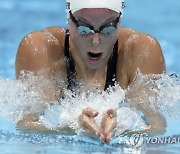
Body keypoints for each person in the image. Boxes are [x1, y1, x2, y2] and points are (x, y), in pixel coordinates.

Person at [15, 0, 166, 143]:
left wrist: (119, 130)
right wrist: (75, 129)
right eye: (84, 29)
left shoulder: (141, 51)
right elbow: (26, 128)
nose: (95, 40)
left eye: (108, 28)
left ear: (119, 22)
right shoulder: (42, 50)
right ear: (69, 19)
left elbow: (157, 129)